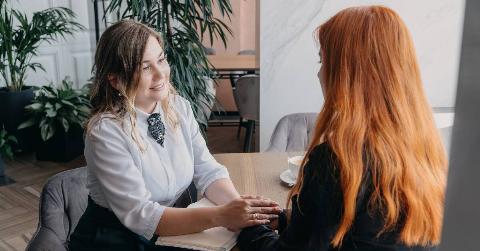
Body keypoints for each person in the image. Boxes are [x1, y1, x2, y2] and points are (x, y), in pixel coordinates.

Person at [238, 6, 447, 251]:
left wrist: (250, 230)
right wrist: (286, 219)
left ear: (349, 75)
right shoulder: (425, 151)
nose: (319, 74)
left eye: (323, 60)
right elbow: (365, 228)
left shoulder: (337, 162)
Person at [69, 20, 281, 250]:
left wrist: (243, 212)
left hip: (170, 228)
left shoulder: (179, 107)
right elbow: (142, 215)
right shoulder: (105, 132)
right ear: (115, 80)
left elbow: (208, 170)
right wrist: (222, 216)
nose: (161, 75)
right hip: (114, 239)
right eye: (145, 67)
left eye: (161, 60)